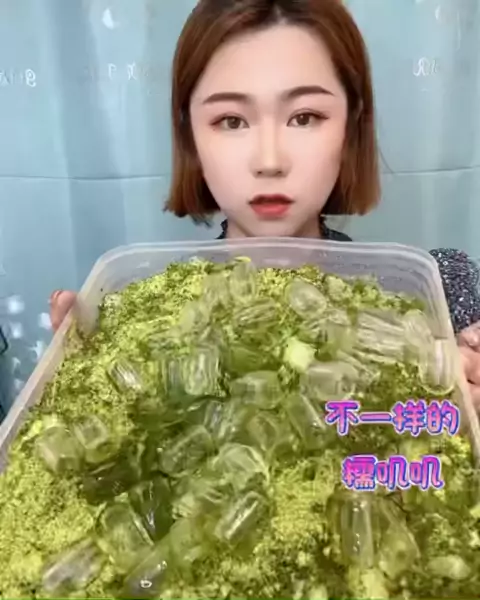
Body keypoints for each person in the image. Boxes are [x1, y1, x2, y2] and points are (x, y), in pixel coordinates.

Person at [50, 0, 480, 406]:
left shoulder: (440, 293)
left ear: (351, 127)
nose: (269, 161)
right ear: (190, 137)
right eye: (231, 121)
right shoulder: (142, 318)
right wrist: (79, 383)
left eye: (304, 117)